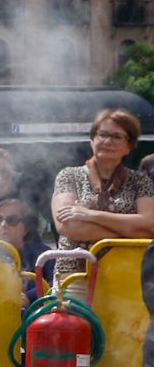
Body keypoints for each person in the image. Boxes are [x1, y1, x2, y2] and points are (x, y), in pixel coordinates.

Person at [52, 108, 154, 281]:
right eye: (102, 134)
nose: (108, 141)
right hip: (75, 275)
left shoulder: (141, 182)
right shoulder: (69, 176)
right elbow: (68, 226)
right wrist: (129, 233)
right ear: (92, 140)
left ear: (129, 146)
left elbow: (150, 225)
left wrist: (91, 215)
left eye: (116, 137)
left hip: (126, 277)